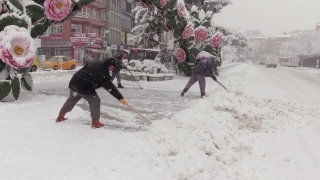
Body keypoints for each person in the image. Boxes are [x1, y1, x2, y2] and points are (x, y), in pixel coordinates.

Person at [56, 58, 127, 128]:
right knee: (95, 100)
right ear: (110, 66)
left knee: (72, 99)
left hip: (74, 83)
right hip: (84, 87)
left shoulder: (96, 62)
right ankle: (95, 122)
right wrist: (120, 98)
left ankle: (60, 117)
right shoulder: (103, 72)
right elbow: (110, 87)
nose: (112, 70)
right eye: (112, 68)